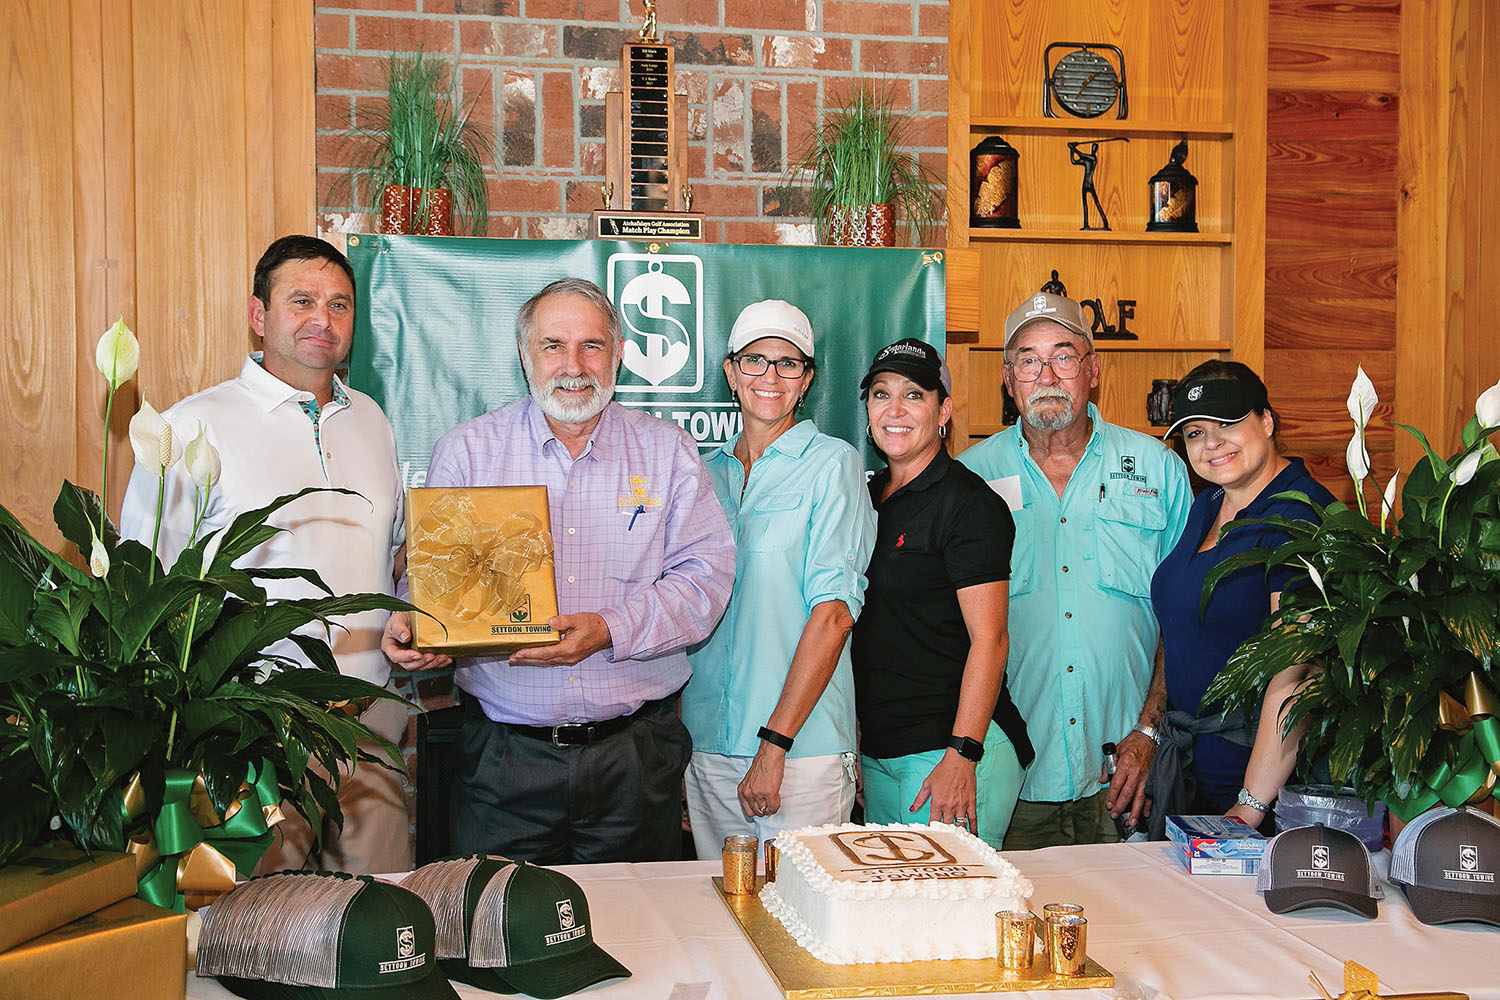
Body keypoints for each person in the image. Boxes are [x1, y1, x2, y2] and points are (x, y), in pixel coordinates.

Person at [382, 277, 734, 865]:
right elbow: (431, 583)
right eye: (552, 346)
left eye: (591, 346)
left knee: (636, 943)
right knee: (497, 936)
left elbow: (705, 581)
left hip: (635, 757)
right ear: (525, 356)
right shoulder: (468, 453)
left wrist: (609, 629)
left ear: (619, 353)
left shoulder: (667, 451)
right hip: (503, 763)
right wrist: (416, 626)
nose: (573, 365)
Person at [119, 235, 409, 874]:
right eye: (301, 301)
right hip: (258, 728)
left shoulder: (372, 420)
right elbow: (143, 587)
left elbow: (390, 560)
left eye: (339, 305)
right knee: (255, 927)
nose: (322, 320)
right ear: (258, 314)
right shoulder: (192, 427)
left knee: (381, 920)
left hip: (371, 720)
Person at [957, 292, 1191, 850]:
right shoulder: (969, 478)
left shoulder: (1159, 469)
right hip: (1007, 773)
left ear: (1093, 369)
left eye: (1063, 356)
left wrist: (1150, 729)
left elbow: (1185, 616)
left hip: (1126, 772)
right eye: (1028, 359)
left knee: (1139, 935)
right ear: (1008, 377)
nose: (1047, 375)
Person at [682, 301, 876, 857]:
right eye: (755, 361)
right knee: (721, 922)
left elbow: (835, 614)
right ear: (730, 372)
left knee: (798, 926)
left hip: (799, 753)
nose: (770, 376)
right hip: (710, 746)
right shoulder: (704, 472)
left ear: (807, 379)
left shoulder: (831, 464)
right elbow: (685, 613)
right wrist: (684, 749)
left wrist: (775, 743)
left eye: (788, 364)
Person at [851, 339, 1033, 848]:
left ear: (944, 410)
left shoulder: (968, 504)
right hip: (884, 752)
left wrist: (963, 753)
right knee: (889, 918)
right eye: (881, 394)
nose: (895, 409)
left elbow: (991, 640)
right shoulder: (866, 499)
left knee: (946, 918)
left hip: (949, 752)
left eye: (914, 395)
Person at [1145, 361, 1334, 837]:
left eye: (1227, 424)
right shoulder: (1209, 503)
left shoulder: (1300, 515)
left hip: (1264, 791)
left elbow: (1299, 674)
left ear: (1267, 421)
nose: (1211, 444)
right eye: (1194, 433)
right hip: (1195, 773)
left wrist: (1248, 807)